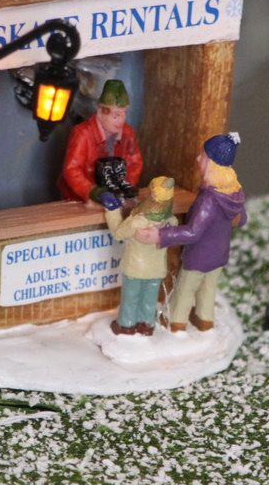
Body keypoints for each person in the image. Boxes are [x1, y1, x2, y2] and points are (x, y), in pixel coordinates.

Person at [137, 133, 247, 332]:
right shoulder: (235, 192)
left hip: (199, 256)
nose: (198, 159)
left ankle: (175, 321)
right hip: (220, 254)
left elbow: (193, 232)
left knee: (185, 290)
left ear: (212, 164)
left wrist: (161, 235)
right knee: (208, 288)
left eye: (203, 156)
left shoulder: (209, 200)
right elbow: (241, 220)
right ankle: (205, 320)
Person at [101, 176, 178, 336]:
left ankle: (126, 325)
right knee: (149, 300)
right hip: (156, 270)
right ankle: (146, 325)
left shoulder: (138, 222)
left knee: (130, 298)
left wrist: (112, 210)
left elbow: (118, 233)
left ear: (153, 195)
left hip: (135, 268)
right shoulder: (171, 221)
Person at [58, 79, 143, 203]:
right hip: (79, 199)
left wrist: (126, 187)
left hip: (115, 196)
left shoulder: (127, 133)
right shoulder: (83, 133)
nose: (119, 120)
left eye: (123, 114)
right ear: (101, 112)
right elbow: (72, 169)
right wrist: (91, 191)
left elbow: (135, 163)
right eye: (114, 115)